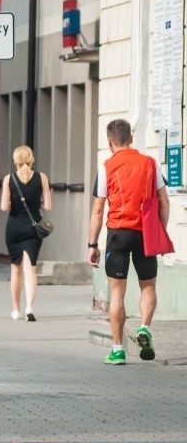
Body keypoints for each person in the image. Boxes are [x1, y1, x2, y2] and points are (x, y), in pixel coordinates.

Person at [88, 118, 168, 365]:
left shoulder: (106, 167)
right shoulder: (151, 165)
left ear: (110, 142)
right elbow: (164, 202)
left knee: (117, 292)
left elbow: (99, 208)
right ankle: (144, 327)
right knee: (148, 286)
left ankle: (118, 349)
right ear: (131, 138)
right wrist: (159, 232)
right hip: (145, 232)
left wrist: (92, 244)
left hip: (118, 234)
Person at [0, 146, 52, 321]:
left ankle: (16, 310)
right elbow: (48, 206)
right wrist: (36, 203)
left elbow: (4, 207)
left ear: (16, 161)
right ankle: (29, 307)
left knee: (16, 270)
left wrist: (14, 203)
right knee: (31, 270)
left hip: (14, 227)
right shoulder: (42, 178)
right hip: (33, 228)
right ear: (32, 160)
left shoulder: (9, 179)